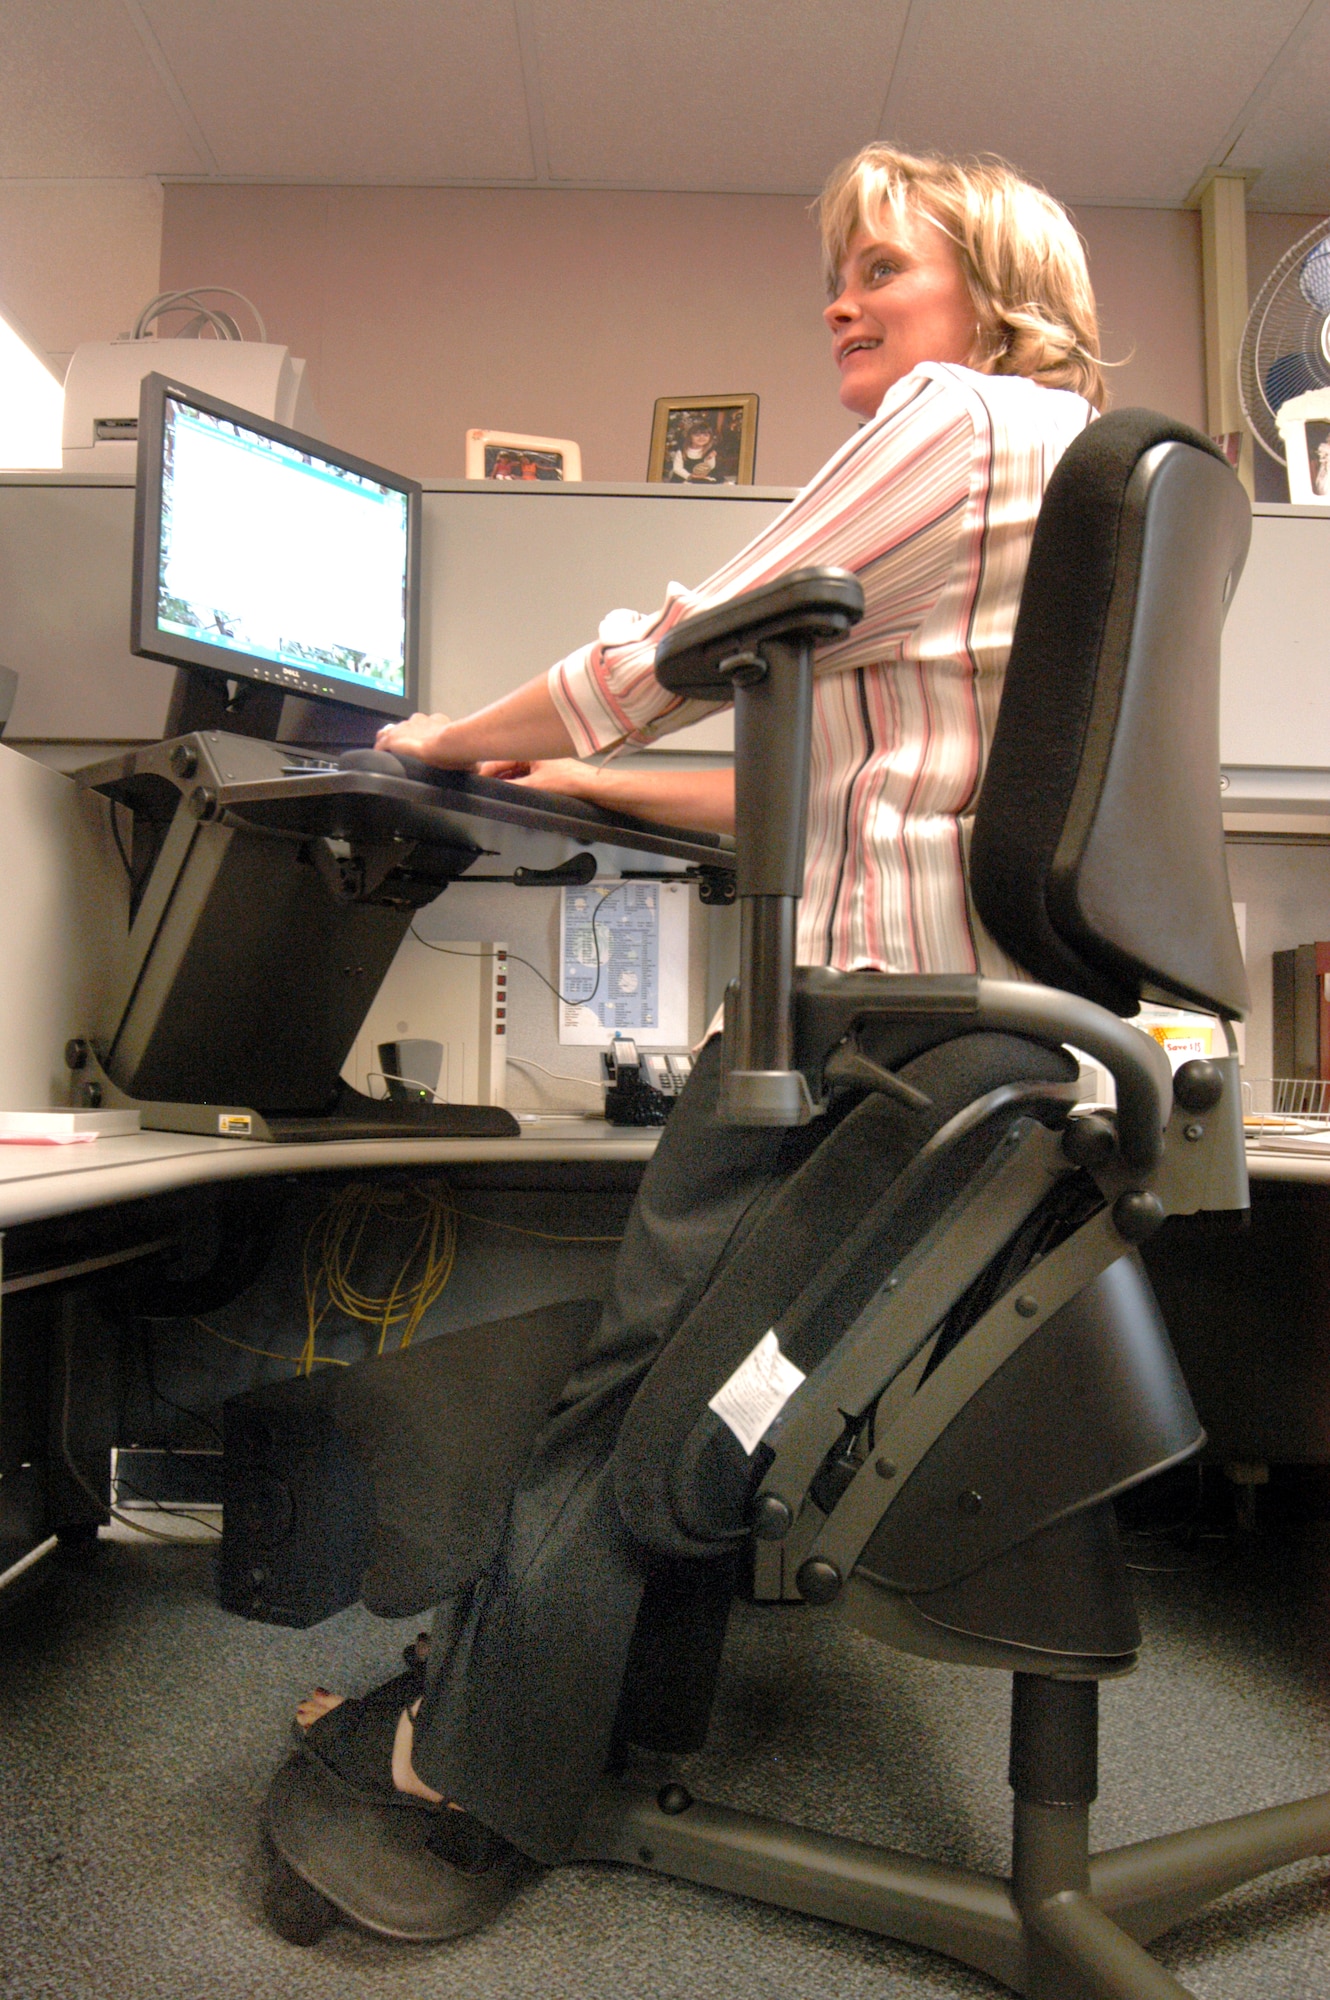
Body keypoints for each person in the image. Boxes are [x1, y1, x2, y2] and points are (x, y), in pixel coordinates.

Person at [290, 140, 1107, 1914]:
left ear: (992, 293)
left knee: (642, 1397)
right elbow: (802, 794)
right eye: (841, 270)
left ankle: (473, 1762)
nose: (843, 296)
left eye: (883, 266)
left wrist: (454, 742)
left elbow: (711, 635)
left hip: (862, 1048)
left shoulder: (960, 421)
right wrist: (568, 774)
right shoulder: (1063, 485)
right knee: (696, 1398)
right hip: (983, 1042)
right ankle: (588, 1715)